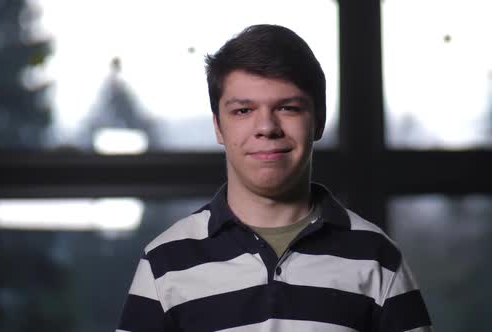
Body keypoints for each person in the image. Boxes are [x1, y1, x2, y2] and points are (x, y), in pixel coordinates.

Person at [117, 24, 432, 332]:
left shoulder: (379, 258)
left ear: (318, 121)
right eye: (243, 110)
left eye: (288, 108)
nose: (267, 126)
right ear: (218, 126)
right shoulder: (164, 261)